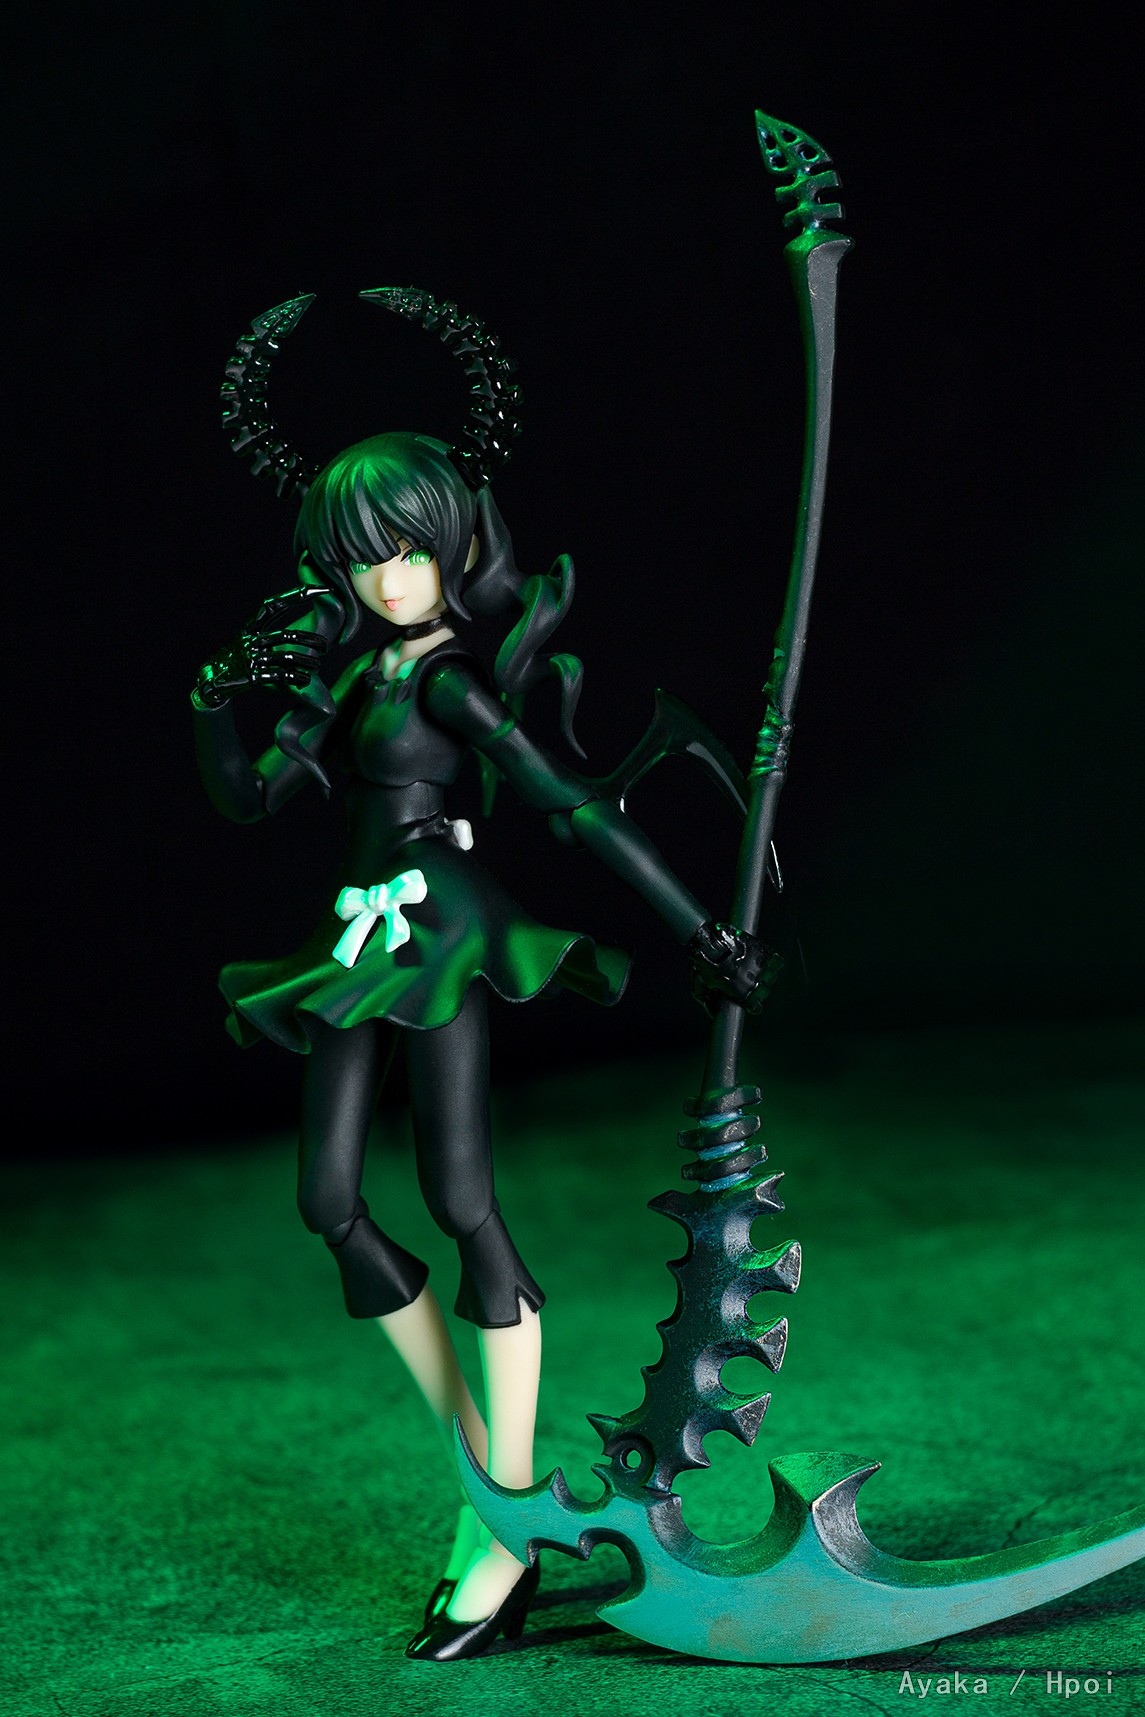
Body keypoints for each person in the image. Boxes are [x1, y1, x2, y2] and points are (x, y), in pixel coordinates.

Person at [193, 290, 771, 1661]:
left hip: (443, 924)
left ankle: (499, 1530)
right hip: (357, 937)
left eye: (410, 551)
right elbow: (251, 798)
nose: (391, 581)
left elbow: (567, 804)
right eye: (364, 561)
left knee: (461, 1198)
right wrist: (212, 697)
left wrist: (698, 924)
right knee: (329, 1199)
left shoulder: (454, 684)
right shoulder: (352, 681)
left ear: (455, 543)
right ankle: (492, 1489)